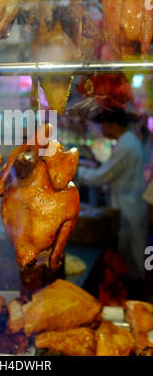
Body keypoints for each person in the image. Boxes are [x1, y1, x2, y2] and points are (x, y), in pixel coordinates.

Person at [78, 108, 148, 295]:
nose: (101, 129)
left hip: (128, 205)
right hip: (127, 201)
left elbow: (103, 176)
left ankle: (136, 295)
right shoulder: (127, 142)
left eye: (102, 125)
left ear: (112, 125)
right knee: (131, 251)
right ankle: (133, 289)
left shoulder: (126, 146)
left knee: (133, 253)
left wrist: (78, 172)